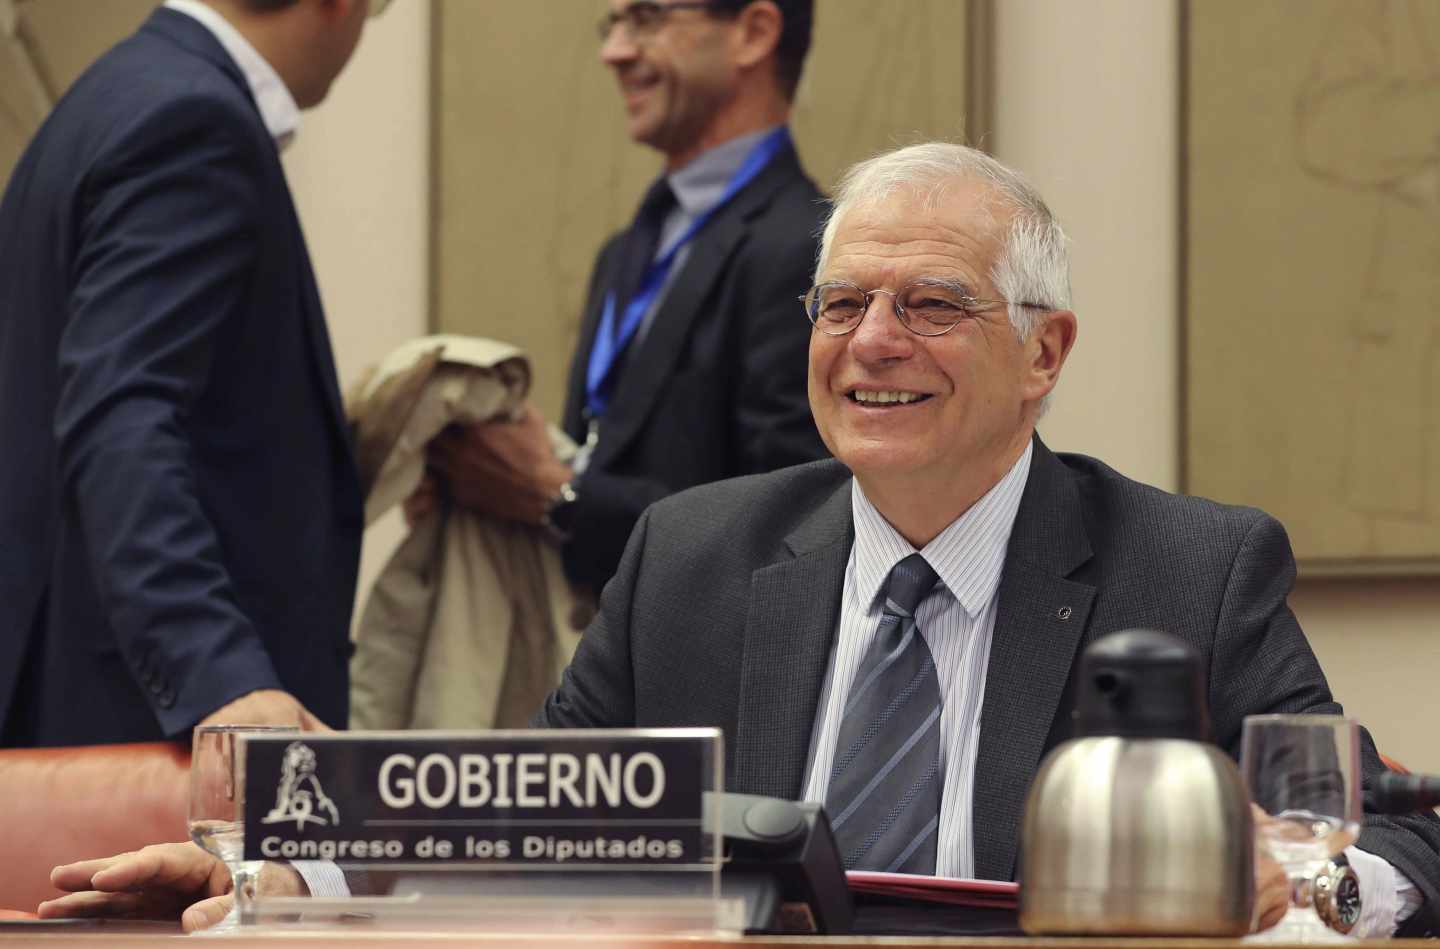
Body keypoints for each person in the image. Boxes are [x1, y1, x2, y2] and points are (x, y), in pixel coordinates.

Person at [40, 144, 1440, 936]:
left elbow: (1387, 832)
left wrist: (1311, 878)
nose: (871, 344)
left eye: (931, 305)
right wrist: (274, 869)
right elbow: (521, 796)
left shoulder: (1188, 566)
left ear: (1043, 351)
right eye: (841, 305)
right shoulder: (697, 552)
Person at [0, 0, 385, 747]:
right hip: (141, 730)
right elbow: (121, 411)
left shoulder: (109, 94)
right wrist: (219, 674)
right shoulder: (194, 121)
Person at [421, 0, 829, 593]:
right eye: (611, 25)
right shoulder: (626, 250)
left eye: (646, 18)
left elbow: (793, 525)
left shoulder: (813, 251)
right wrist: (479, 483)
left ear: (753, 32)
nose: (612, 52)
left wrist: (557, 493)